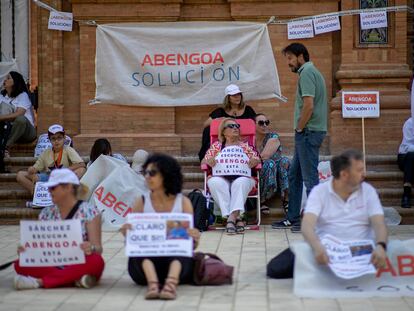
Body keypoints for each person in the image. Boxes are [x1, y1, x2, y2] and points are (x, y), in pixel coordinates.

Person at [267, 149, 388, 279]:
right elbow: (307, 226)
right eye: (359, 170)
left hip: (361, 250)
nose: (364, 174)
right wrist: (317, 247)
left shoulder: (368, 191)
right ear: (344, 174)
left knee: (399, 254)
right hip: (328, 250)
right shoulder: (320, 192)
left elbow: (379, 224)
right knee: (275, 268)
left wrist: (381, 246)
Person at [120, 153, 200, 300]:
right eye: (146, 172)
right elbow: (134, 241)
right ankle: (153, 284)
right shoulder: (141, 202)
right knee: (141, 251)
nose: (147, 177)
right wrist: (128, 233)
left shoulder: (183, 202)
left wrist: (194, 237)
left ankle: (171, 284)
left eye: (152, 173)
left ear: (166, 175)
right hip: (144, 269)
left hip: (177, 265)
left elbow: (190, 245)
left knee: (180, 251)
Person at [13, 168, 105, 289]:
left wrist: (91, 247)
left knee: (97, 262)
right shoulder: (46, 213)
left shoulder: (89, 211)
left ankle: (39, 282)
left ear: (68, 187)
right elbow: (40, 244)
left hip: (79, 261)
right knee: (19, 264)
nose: (49, 191)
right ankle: (74, 279)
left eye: (53, 188)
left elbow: (98, 249)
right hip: (52, 262)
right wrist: (27, 250)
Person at [272, 43, 327, 233]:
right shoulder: (311, 72)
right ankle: (293, 218)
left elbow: (309, 105)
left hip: (308, 132)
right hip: (308, 132)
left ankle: (315, 223)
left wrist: (299, 127)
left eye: (290, 58)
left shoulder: (307, 73)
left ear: (301, 56)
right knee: (294, 175)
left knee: (310, 178)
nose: (288, 63)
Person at [202, 118, 261, 234]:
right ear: (223, 132)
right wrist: (208, 161)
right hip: (222, 177)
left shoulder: (246, 146)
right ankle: (237, 218)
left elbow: (257, 158)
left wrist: (255, 161)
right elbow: (204, 161)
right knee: (214, 182)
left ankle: (230, 219)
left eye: (237, 126)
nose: (235, 128)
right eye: (231, 126)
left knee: (240, 183)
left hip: (243, 177)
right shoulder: (217, 146)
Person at [16, 124, 86, 197]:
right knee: (20, 175)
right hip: (48, 177)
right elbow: (36, 168)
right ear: (49, 140)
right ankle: (41, 196)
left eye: (59, 138)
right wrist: (31, 169)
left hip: (64, 178)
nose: (56, 141)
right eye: (53, 138)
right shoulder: (46, 152)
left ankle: (64, 195)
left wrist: (67, 170)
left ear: (64, 138)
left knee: (82, 170)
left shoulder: (68, 149)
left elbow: (82, 164)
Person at [198, 84, 256, 161]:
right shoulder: (220, 111)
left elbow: (256, 126)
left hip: (244, 143)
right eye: (234, 95)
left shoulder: (248, 110)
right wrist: (218, 120)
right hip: (224, 144)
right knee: (208, 130)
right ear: (228, 98)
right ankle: (205, 158)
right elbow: (205, 124)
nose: (237, 97)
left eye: (239, 94)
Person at [255, 113, 290, 214]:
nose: (265, 125)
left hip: (277, 172)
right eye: (261, 123)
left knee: (284, 161)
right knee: (269, 164)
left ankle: (286, 199)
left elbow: (265, 156)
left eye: (267, 122)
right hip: (260, 171)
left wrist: (256, 159)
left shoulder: (273, 136)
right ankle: (262, 200)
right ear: (253, 125)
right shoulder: (250, 139)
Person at [0, 71, 36, 161]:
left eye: (8, 78)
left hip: (26, 132)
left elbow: (20, 113)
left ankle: (5, 147)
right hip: (9, 131)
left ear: (15, 81)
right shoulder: (2, 96)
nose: (5, 80)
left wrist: (1, 118)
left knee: (20, 119)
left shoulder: (22, 95)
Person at [397, 117, 414, 208]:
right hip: (405, 157)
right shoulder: (410, 123)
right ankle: (406, 194)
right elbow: (408, 146)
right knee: (411, 155)